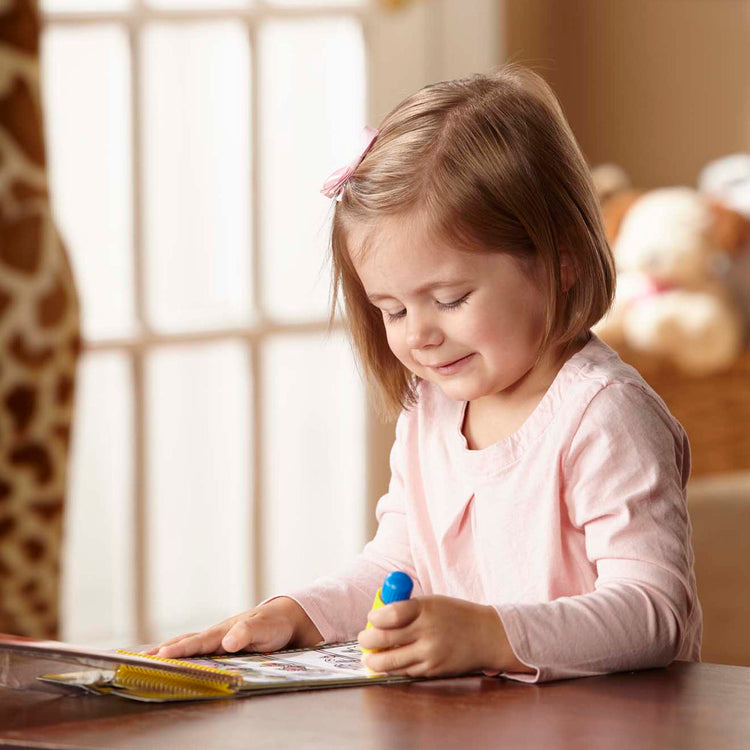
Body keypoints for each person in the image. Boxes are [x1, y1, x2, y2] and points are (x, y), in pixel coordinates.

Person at [149, 65, 702, 682]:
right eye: (392, 309)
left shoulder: (604, 415)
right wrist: (295, 614)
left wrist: (491, 635)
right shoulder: (431, 407)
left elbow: (656, 612)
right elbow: (396, 563)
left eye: (449, 299)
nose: (418, 334)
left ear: (559, 261)